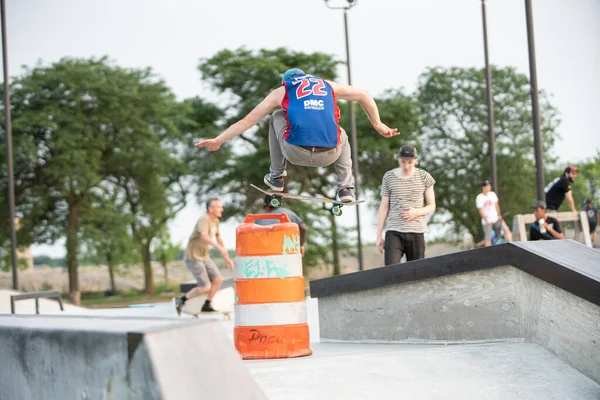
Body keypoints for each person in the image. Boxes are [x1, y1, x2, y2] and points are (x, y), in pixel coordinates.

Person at [194, 68, 399, 203]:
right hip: (330, 155)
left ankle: (276, 177)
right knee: (341, 133)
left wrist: (219, 140)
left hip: (294, 151)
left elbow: (247, 120)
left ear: (286, 82)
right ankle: (346, 188)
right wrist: (378, 125)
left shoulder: (282, 91)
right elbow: (364, 95)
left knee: (275, 116)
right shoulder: (327, 85)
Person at [376, 145, 436, 265]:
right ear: (399, 159)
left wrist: (416, 212)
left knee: (416, 273)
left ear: (416, 161)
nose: (406, 166)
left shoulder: (425, 177)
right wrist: (378, 236)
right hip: (394, 231)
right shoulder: (389, 177)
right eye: (403, 162)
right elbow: (384, 207)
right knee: (391, 270)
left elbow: (432, 206)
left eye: (410, 162)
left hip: (416, 231)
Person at [174, 198, 234, 315]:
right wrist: (218, 247)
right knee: (206, 287)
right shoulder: (204, 220)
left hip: (204, 256)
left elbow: (219, 239)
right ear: (211, 209)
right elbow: (204, 236)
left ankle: (207, 304)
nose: (221, 209)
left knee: (218, 279)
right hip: (193, 257)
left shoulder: (215, 221)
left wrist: (227, 259)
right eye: (218, 207)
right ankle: (181, 300)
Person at [475, 180, 512, 246]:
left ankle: (511, 245)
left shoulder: (492, 194)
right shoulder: (479, 197)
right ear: (483, 187)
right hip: (487, 220)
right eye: (487, 186)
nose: (489, 187)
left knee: (506, 230)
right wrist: (486, 220)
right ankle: (488, 253)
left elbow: (496, 205)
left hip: (496, 218)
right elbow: (481, 210)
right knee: (488, 237)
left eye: (489, 185)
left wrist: (499, 215)